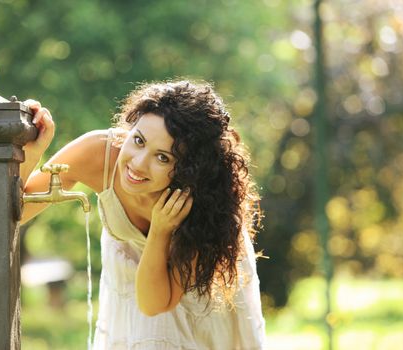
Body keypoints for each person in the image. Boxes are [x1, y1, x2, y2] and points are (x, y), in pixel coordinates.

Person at [20, 80, 267, 349]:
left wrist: (161, 229)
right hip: (129, 289)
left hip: (199, 303)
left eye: (163, 158)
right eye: (138, 140)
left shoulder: (202, 205)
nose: (137, 164)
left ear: (188, 169)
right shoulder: (99, 154)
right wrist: (33, 152)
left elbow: (156, 304)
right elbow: (17, 211)